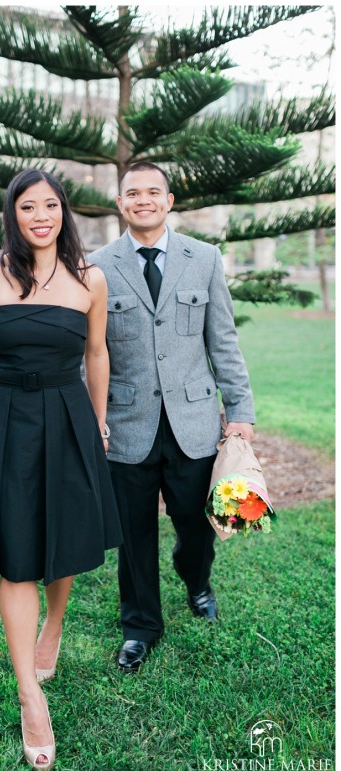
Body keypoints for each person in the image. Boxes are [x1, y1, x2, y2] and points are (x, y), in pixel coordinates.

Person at [0, 169, 122, 770]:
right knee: (16, 552)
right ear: (12, 215)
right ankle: (29, 693)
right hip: (4, 419)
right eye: (27, 207)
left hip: (69, 417)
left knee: (64, 540)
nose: (40, 215)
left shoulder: (89, 278)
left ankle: (55, 624)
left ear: (63, 212)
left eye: (50, 205)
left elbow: (97, 354)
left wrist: (96, 425)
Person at [88, 162, 255, 672]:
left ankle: (196, 579)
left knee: (197, 524)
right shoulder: (95, 265)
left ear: (169, 200)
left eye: (152, 192)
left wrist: (240, 409)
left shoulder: (203, 258)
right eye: (132, 193)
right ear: (120, 204)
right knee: (133, 535)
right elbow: (89, 352)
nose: (143, 199)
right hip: (126, 424)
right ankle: (140, 626)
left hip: (196, 422)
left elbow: (222, 338)